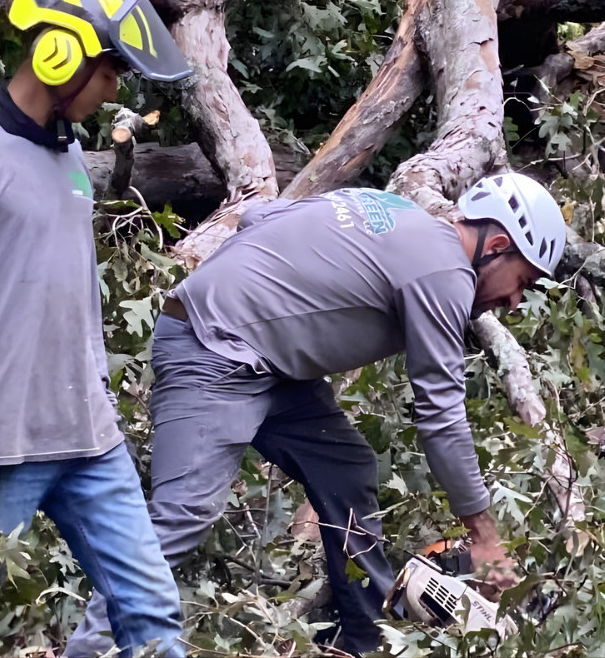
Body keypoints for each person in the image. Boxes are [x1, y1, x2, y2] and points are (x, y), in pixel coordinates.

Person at [66, 173, 566, 657]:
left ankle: (363, 642)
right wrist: (485, 536)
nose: (515, 301)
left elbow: (259, 215)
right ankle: (87, 651)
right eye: (522, 281)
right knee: (183, 513)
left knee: (345, 468)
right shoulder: (445, 273)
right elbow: (439, 413)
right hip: (211, 350)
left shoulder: (400, 214)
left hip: (270, 367)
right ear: (497, 245)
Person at [0, 0, 194, 656]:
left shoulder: (68, 158)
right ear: (61, 53)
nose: (114, 88)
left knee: (153, 617)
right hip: (3, 446)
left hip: (90, 439)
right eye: (110, 70)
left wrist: (98, 385)